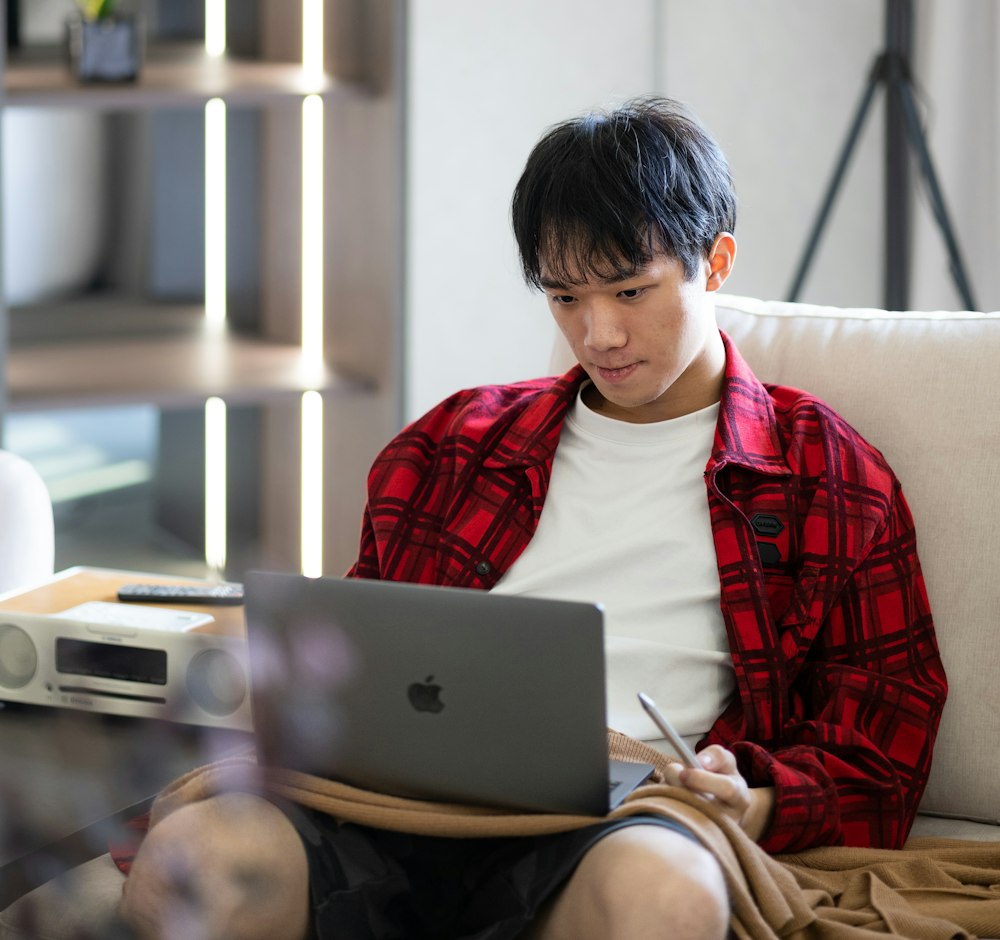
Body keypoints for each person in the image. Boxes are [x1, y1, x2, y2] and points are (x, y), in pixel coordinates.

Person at [120, 97, 946, 940]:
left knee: (662, 897)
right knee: (196, 858)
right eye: (564, 298)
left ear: (717, 262)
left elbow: (887, 739)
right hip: (400, 793)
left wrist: (760, 798)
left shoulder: (823, 471)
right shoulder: (453, 444)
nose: (600, 334)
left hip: (630, 813)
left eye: (631, 290)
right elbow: (363, 654)